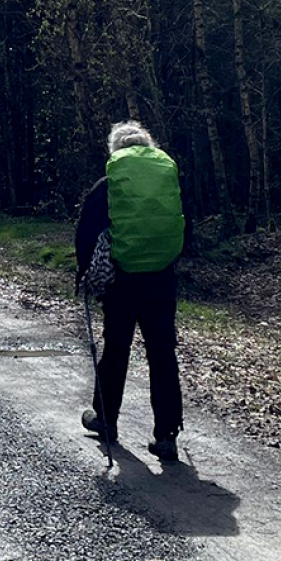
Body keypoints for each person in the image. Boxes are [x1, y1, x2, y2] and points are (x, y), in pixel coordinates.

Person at [75, 120, 185, 462]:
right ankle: (166, 434)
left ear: (115, 152)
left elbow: (86, 232)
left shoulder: (109, 185)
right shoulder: (165, 181)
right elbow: (185, 222)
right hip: (161, 277)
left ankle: (106, 420)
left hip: (121, 280)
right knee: (162, 353)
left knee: (116, 349)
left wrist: (86, 272)